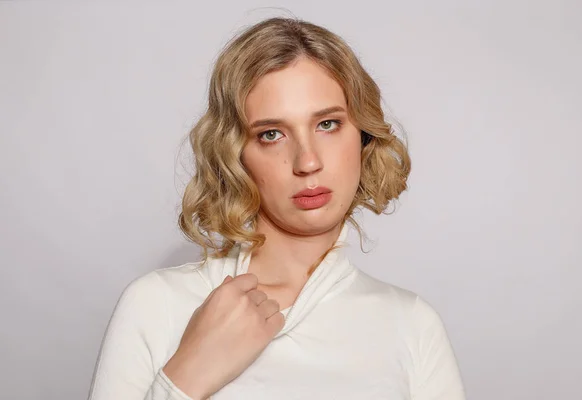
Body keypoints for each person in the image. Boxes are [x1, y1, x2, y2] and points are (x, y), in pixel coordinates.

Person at [87, 16, 466, 400]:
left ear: (363, 136)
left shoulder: (411, 325)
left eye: (328, 124)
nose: (307, 161)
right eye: (271, 134)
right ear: (235, 154)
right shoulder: (158, 305)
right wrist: (188, 375)